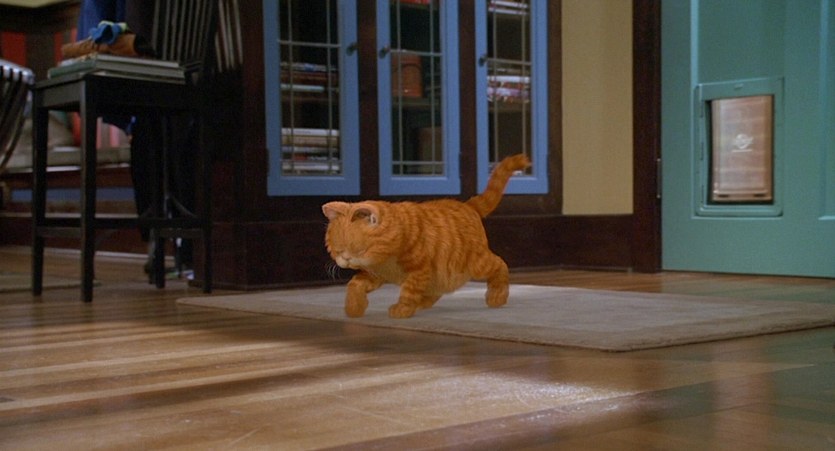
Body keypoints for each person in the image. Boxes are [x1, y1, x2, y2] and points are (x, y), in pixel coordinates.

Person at [73, 0, 195, 280]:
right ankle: (168, 241)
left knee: (150, 130)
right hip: (173, 66)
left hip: (158, 67)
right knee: (151, 131)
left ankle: (162, 239)